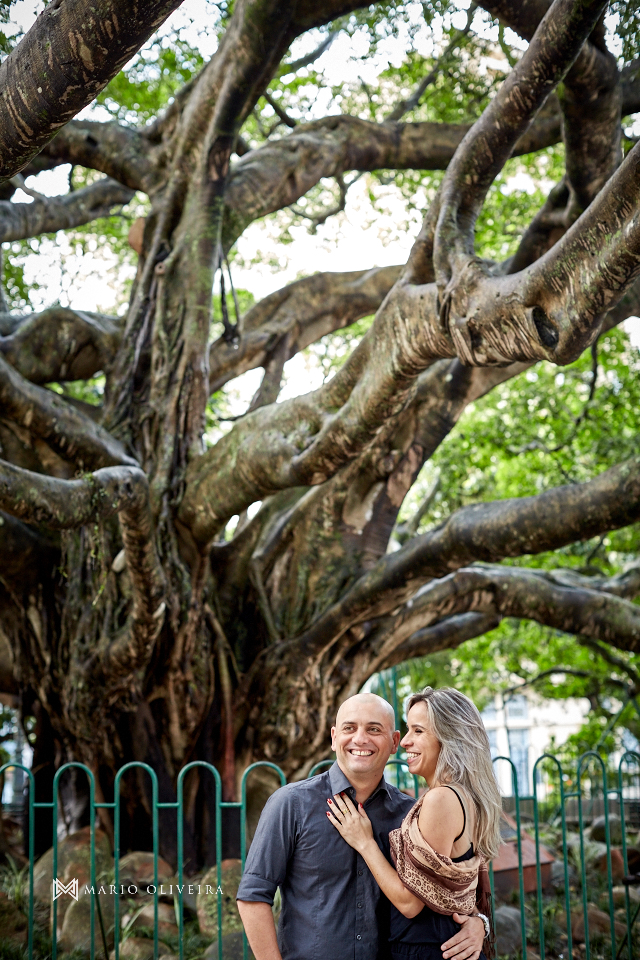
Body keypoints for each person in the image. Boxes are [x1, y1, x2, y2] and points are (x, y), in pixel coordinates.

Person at [237, 692, 486, 960]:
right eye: (349, 728)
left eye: (373, 729)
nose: (360, 739)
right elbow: (253, 897)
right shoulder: (291, 804)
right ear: (334, 737)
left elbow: (450, 886)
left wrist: (478, 923)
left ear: (394, 742)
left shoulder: (411, 814)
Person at [327, 687, 500, 960]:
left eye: (418, 731)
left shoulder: (441, 799)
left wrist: (365, 842)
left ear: (449, 738)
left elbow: (410, 903)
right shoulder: (461, 796)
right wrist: (480, 922)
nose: (405, 741)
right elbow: (457, 889)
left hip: (432, 949)